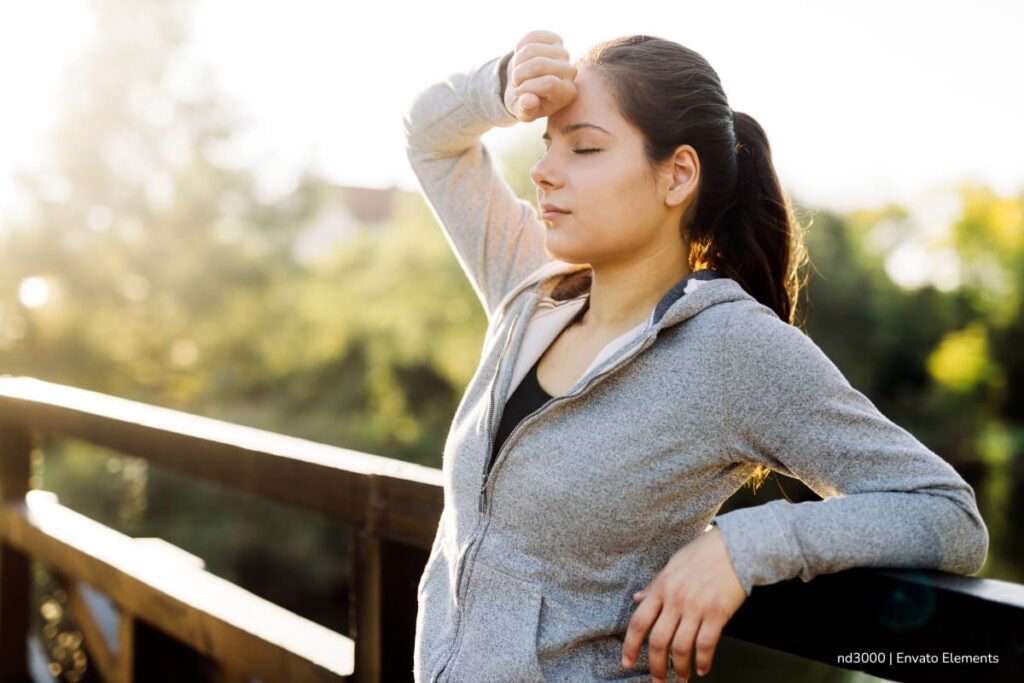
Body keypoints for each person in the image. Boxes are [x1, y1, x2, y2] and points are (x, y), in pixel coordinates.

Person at [401, 29, 989, 683]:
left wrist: (748, 543)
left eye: (585, 147)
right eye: (547, 145)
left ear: (677, 173)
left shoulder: (735, 349)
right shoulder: (530, 287)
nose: (543, 171)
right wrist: (503, 82)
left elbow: (946, 514)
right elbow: (430, 137)